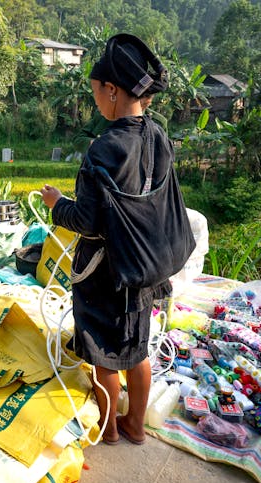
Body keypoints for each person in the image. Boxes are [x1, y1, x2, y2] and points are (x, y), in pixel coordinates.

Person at [40, 34, 171, 446]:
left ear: (112, 91)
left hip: (105, 272)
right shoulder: (158, 136)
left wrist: (57, 203)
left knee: (104, 356)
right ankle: (136, 425)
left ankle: (110, 428)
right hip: (146, 266)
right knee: (137, 347)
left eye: (96, 91)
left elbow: (88, 221)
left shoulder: (104, 149)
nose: (95, 100)